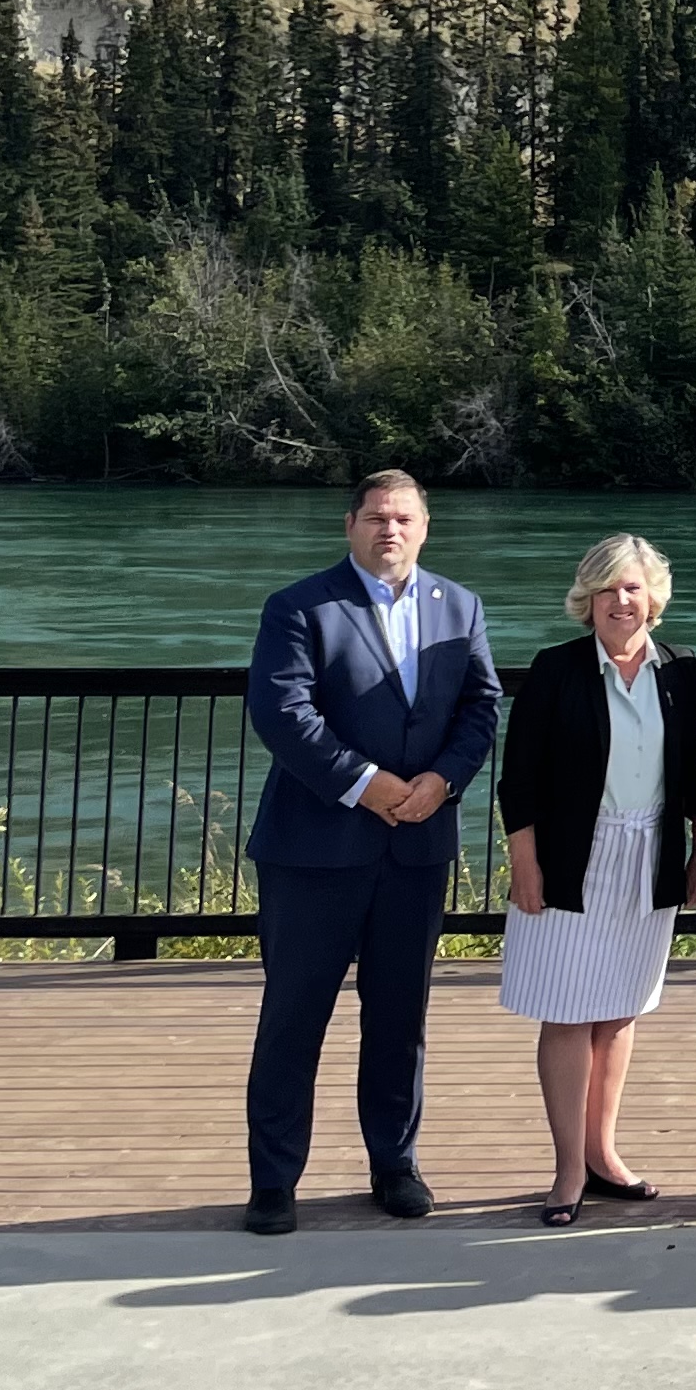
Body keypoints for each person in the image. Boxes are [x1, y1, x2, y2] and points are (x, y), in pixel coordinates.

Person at [236, 470, 504, 1234]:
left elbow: (481, 706)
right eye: (376, 518)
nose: (391, 530)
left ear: (425, 528)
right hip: (314, 849)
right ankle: (274, 1180)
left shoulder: (460, 605)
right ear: (350, 525)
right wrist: (366, 784)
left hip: (418, 845)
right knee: (295, 1016)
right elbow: (282, 712)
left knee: (399, 1017)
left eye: (405, 519)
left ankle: (395, 1164)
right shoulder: (299, 607)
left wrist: (442, 783)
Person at [496, 534, 696, 1228]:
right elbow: (518, 777)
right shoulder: (556, 670)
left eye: (634, 588)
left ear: (654, 599)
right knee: (566, 1011)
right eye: (608, 589)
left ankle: (602, 1154)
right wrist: (523, 863)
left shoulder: (681, 671)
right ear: (586, 601)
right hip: (569, 860)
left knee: (620, 1009)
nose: (622, 601)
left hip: (647, 856)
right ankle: (566, 1170)